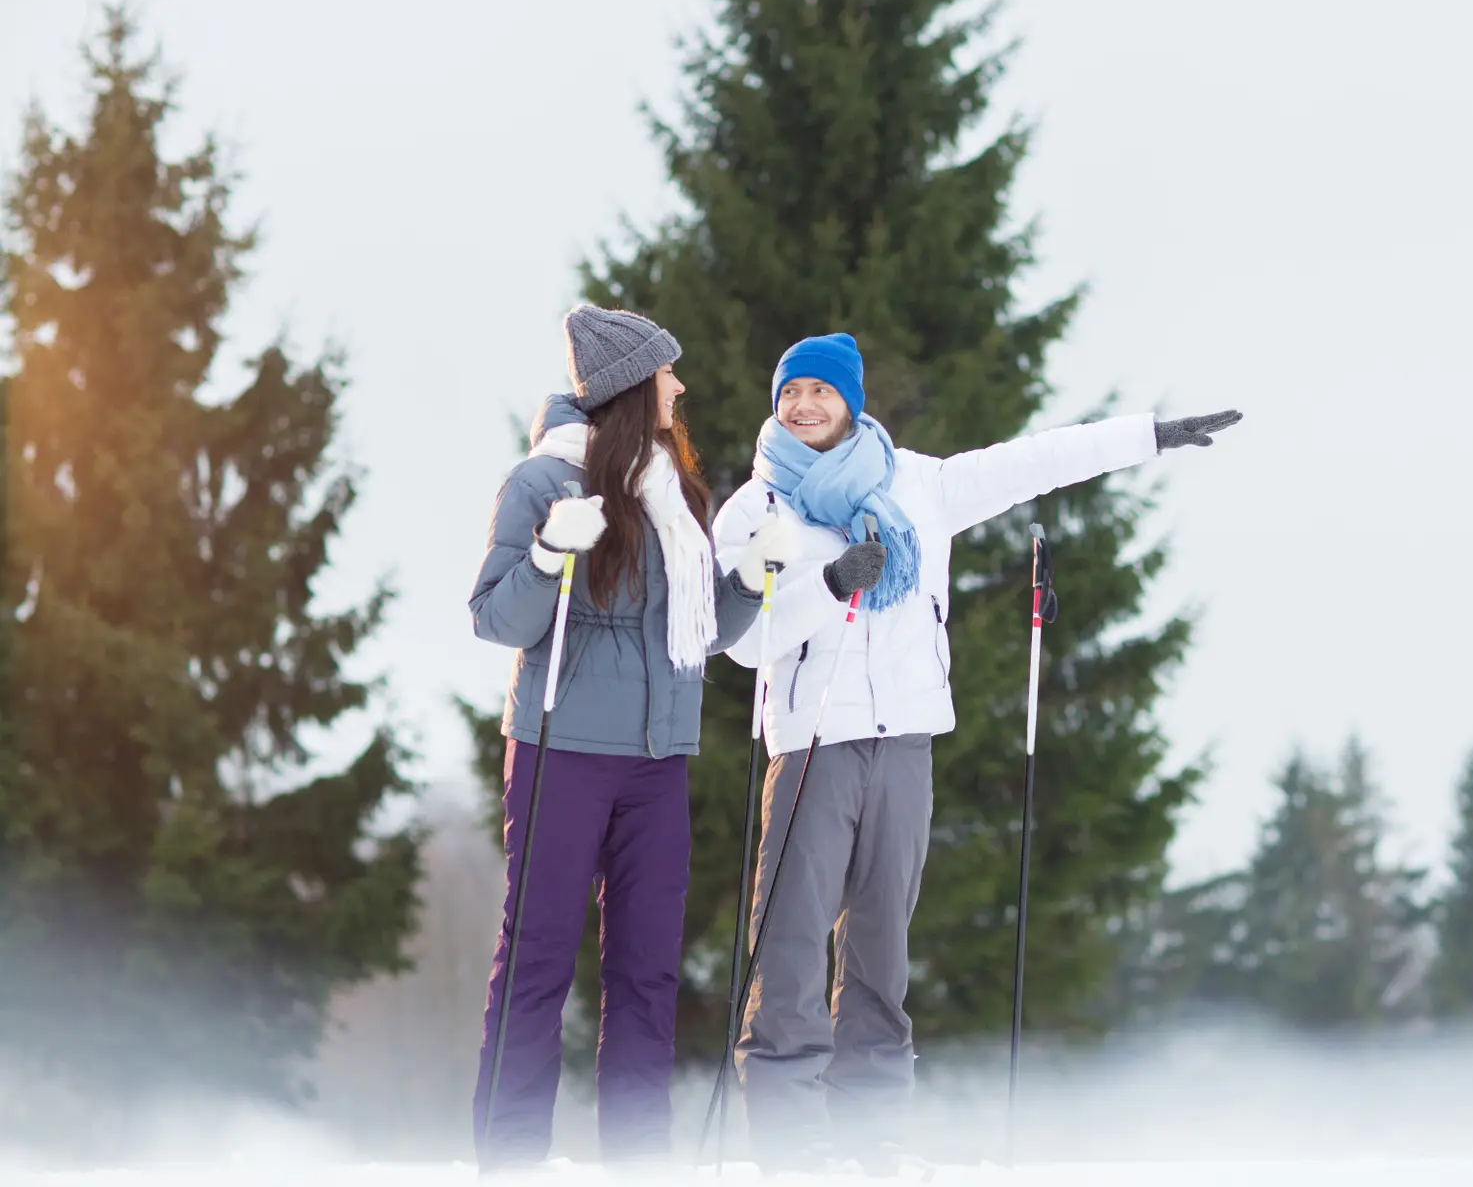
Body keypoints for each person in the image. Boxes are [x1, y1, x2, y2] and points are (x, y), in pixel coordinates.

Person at [711, 332, 1241, 1172]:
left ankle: (871, 1130)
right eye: (791, 393)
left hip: (906, 747)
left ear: (852, 400)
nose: (804, 405)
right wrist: (829, 584)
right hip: (813, 745)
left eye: (820, 390)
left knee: (882, 941)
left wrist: (1148, 435)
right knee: (791, 936)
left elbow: (1036, 460)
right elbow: (739, 641)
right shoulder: (756, 509)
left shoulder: (921, 482)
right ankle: (786, 1138)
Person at [465, 305, 881, 1172]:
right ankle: (508, 1160)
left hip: (658, 764)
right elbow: (495, 618)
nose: (679, 387)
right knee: (539, 961)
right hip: (562, 753)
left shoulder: (672, 487)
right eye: (666, 374)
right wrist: (547, 556)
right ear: (629, 385)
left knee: (648, 973)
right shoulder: (545, 485)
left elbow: (698, 632)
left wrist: (755, 576)